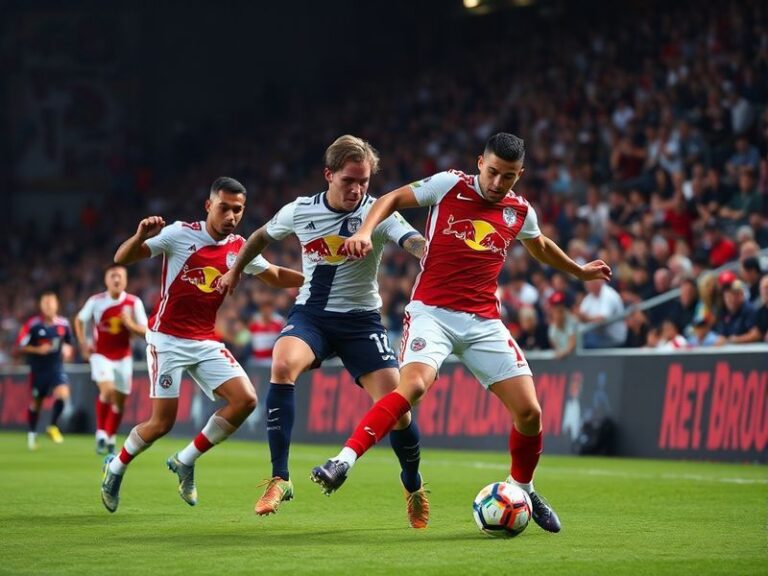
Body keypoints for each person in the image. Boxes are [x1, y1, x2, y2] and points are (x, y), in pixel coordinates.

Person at [310, 133, 612, 533]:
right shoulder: (449, 184)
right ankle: (342, 461)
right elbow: (390, 200)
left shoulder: (519, 210)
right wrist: (365, 231)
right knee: (412, 388)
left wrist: (578, 270)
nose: (498, 183)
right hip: (431, 313)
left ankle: (522, 488)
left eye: (509, 176)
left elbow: (537, 244)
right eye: (492, 172)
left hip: (483, 321)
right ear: (479, 162)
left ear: (519, 175)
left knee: (530, 412)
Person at [218, 135, 429, 527]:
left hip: (362, 320)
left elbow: (412, 239)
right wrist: (234, 271)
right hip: (312, 316)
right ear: (328, 175)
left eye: (364, 181)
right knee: (282, 365)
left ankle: (413, 485)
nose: (358, 189)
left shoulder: (376, 212)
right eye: (349, 180)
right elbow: (260, 237)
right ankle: (280, 478)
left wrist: (426, 251)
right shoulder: (301, 211)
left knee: (398, 410)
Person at [99, 177, 304, 513]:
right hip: (166, 340)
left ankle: (185, 459)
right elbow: (122, 258)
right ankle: (116, 466)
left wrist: (316, 277)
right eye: (225, 207)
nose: (232, 215)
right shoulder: (180, 234)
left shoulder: (240, 248)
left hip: (205, 340)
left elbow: (275, 275)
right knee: (161, 423)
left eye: (238, 210)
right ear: (209, 206)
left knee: (245, 400)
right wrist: (140, 237)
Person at [74, 265, 148, 455]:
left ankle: (111, 436)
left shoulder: (134, 303)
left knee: (120, 401)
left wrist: (129, 324)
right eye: (112, 276)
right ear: (106, 280)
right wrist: (83, 343)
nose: (116, 279)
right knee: (107, 392)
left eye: (120, 276)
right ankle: (100, 433)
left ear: (125, 280)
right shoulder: (96, 301)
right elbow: (80, 320)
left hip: (124, 357)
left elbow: (146, 331)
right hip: (101, 354)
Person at [15, 292, 74, 450]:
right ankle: (32, 434)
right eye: (45, 303)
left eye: (51, 303)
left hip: (56, 367)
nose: (49, 306)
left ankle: (52, 426)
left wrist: (68, 350)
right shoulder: (33, 325)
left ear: (56, 305)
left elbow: (69, 342)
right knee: (37, 403)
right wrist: (37, 349)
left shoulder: (63, 324)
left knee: (63, 394)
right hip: (38, 370)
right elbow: (19, 346)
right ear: (41, 306)